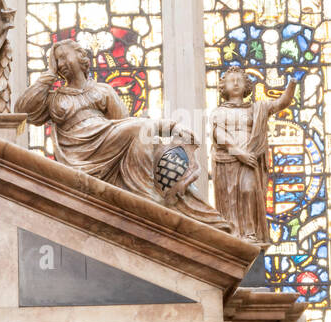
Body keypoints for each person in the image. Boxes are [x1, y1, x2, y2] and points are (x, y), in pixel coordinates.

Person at [15, 39, 228, 228]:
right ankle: (147, 195)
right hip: (75, 152)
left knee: (139, 129)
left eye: (63, 57)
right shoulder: (54, 98)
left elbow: (123, 122)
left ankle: (144, 191)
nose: (61, 64)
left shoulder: (103, 90)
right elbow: (23, 110)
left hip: (106, 138)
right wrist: (49, 75)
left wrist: (172, 128)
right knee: (139, 128)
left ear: (80, 57)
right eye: (56, 61)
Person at [211, 65, 297, 242]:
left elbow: (282, 103)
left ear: (246, 86)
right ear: (223, 87)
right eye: (231, 81)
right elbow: (218, 134)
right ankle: (234, 233)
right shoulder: (219, 112)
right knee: (231, 196)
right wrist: (238, 152)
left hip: (250, 159)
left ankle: (250, 233)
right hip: (229, 159)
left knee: (248, 190)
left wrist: (292, 86)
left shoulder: (256, 109)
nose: (235, 83)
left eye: (239, 80)